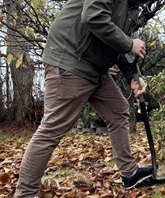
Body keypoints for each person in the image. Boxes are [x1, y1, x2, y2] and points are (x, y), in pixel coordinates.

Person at [14, 0, 154, 197]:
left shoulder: (131, 9)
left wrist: (133, 76)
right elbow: (93, 17)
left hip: (95, 69)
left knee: (118, 110)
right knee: (52, 128)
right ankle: (25, 194)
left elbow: (116, 43)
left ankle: (129, 173)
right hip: (70, 62)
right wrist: (130, 44)